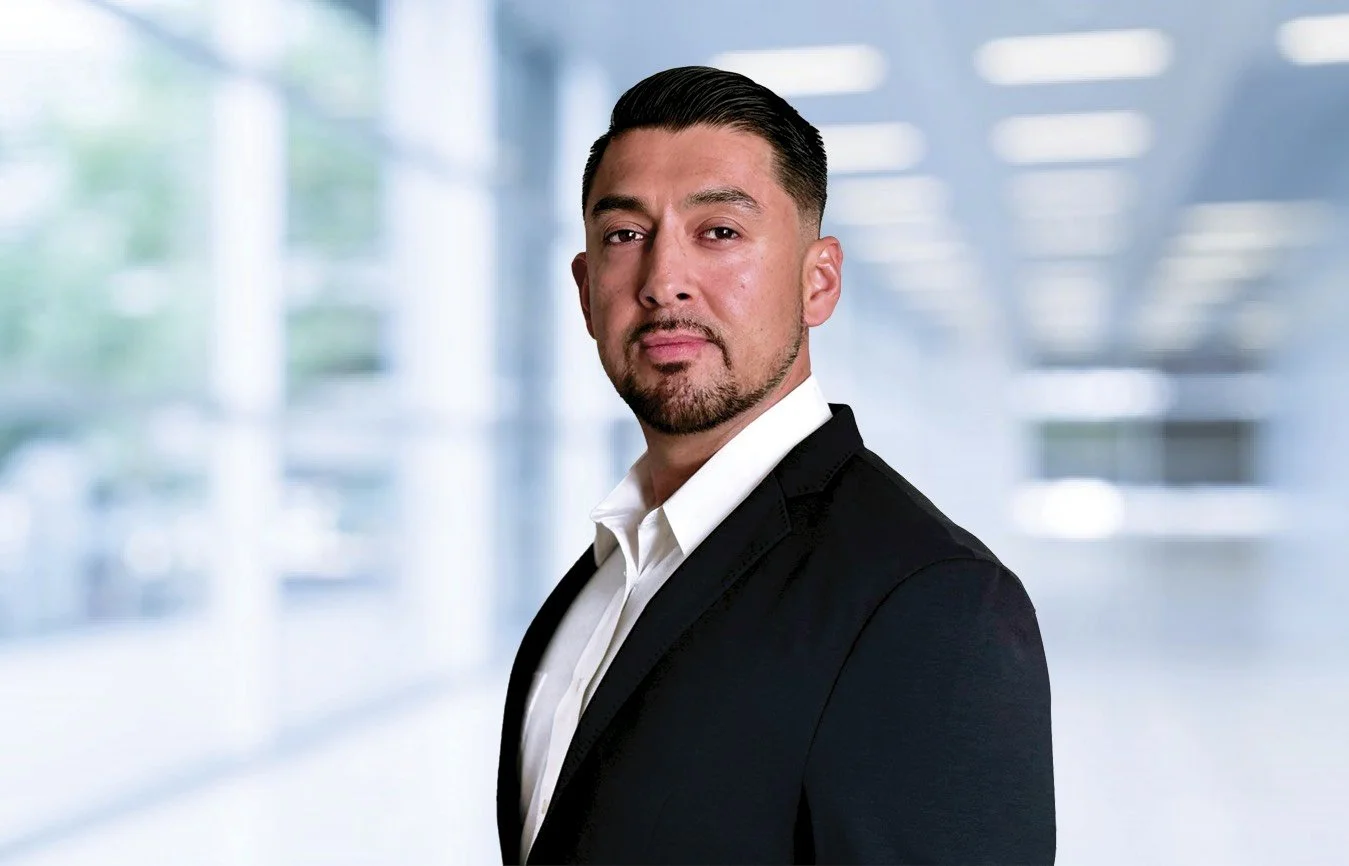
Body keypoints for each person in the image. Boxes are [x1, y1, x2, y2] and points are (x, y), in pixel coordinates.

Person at [496, 65, 1055, 865]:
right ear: (587, 291)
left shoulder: (931, 599)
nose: (664, 282)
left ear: (817, 281)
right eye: (625, 236)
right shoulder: (605, 576)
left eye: (718, 232)